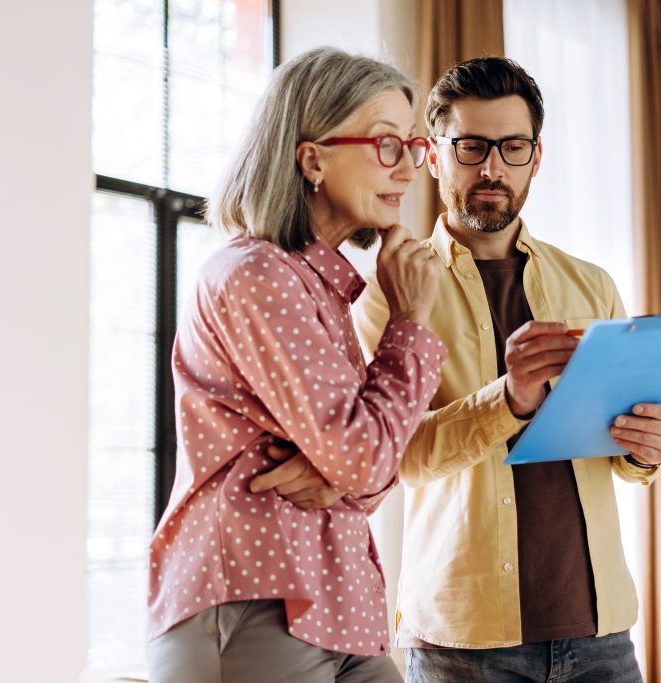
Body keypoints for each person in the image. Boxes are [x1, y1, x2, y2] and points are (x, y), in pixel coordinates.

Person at [352, 57, 661, 682]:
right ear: (433, 155)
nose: (492, 168)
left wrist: (649, 446)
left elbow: (624, 457)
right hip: (464, 643)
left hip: (602, 633)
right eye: (471, 147)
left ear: (536, 156)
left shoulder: (592, 284)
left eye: (512, 147)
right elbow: (394, 458)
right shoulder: (387, 292)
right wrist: (511, 400)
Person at [146, 47, 447, 683]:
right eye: (387, 144)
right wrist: (410, 323)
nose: (410, 170)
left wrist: (345, 472)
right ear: (312, 159)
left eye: (413, 147)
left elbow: (367, 461)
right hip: (251, 597)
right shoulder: (257, 275)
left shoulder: (319, 289)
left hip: (337, 605)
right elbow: (367, 455)